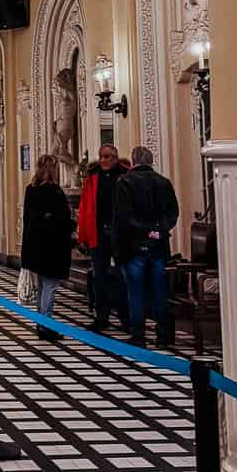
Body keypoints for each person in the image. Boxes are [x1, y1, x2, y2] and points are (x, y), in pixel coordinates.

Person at [113, 145, 180, 348]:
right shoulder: (164, 182)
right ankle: (162, 336)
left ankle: (139, 334)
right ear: (151, 162)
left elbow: (124, 217)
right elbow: (173, 213)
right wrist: (158, 230)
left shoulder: (124, 182)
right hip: (158, 246)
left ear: (133, 162)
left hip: (134, 246)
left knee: (136, 291)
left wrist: (144, 231)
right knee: (160, 290)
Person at [77, 144, 131, 334]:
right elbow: (85, 207)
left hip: (120, 234)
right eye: (101, 156)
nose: (103, 160)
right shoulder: (92, 177)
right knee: (99, 277)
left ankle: (126, 318)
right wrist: (82, 234)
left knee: (122, 277)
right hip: (98, 233)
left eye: (107, 156)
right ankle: (102, 317)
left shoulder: (125, 175)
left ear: (115, 157)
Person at [21, 155, 73, 339]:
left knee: (43, 285)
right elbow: (63, 220)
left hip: (35, 245)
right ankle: (46, 324)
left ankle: (40, 321)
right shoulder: (54, 191)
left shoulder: (31, 189)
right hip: (52, 246)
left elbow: (28, 219)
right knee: (49, 285)